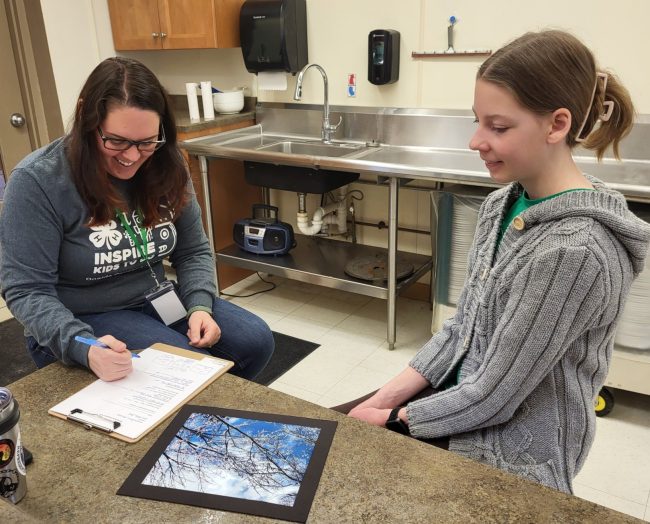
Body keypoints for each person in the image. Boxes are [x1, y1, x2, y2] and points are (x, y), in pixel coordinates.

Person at [339, 30, 650, 494]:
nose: (476, 141)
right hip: (462, 404)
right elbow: (464, 328)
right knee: (330, 432)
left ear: (556, 125)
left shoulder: (575, 251)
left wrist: (393, 419)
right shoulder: (503, 204)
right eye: (477, 121)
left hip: (509, 455)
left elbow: (495, 395)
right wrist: (379, 400)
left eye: (498, 127)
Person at [0, 57, 274, 382]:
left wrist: (200, 305)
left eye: (146, 143)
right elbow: (26, 290)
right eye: (116, 141)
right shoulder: (39, 180)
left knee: (255, 341)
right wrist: (82, 345)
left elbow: (193, 250)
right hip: (81, 319)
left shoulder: (166, 163)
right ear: (87, 117)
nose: (131, 157)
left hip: (155, 297)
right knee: (191, 370)